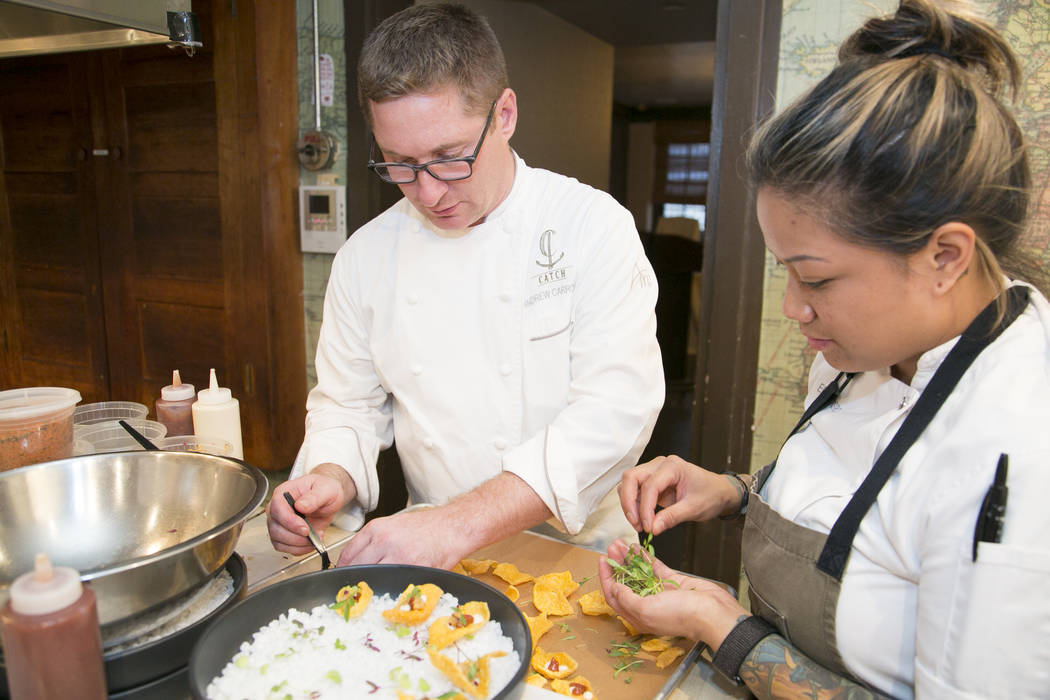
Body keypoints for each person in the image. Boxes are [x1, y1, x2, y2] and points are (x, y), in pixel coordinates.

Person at [599, 1, 1050, 698]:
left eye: (815, 277)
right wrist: (731, 493)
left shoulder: (1016, 453)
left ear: (945, 257)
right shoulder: (866, 347)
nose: (791, 307)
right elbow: (856, 498)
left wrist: (723, 625)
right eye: (785, 270)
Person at [267, 3, 664, 570]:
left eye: (449, 158)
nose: (427, 193)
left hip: (579, 556)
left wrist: (458, 523)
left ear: (504, 114)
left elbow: (615, 412)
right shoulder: (364, 257)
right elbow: (347, 406)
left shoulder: (590, 225)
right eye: (399, 164)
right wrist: (330, 474)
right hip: (434, 555)